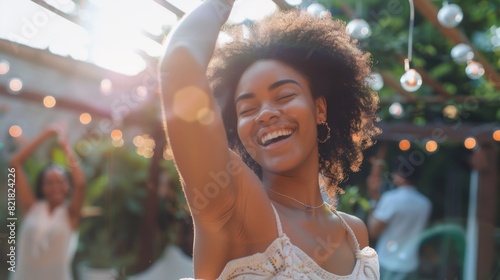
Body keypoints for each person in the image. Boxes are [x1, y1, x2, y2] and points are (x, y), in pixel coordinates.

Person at [159, 0, 381, 279]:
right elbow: (180, 65)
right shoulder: (234, 205)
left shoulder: (354, 233)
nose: (264, 115)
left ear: (320, 109)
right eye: (247, 109)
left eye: (285, 96)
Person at [8, 125, 86, 280]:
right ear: (42, 187)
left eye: (60, 181)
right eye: (49, 182)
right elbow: (14, 163)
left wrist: (64, 144)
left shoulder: (70, 214)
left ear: (67, 186)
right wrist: (44, 135)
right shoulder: (31, 207)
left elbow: (81, 183)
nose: (55, 187)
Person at [368, 153, 432, 280]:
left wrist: (373, 199)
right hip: (410, 264)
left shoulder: (391, 199)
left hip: (387, 263)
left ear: (400, 175)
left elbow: (374, 231)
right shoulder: (425, 204)